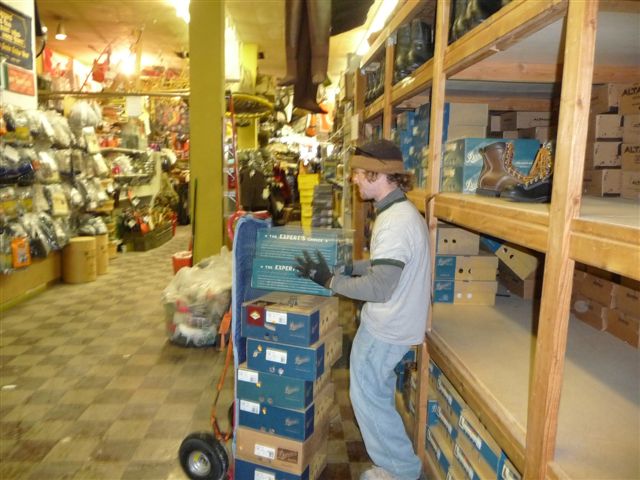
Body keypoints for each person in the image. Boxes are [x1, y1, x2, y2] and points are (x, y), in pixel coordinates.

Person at [295, 139, 430, 480]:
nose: (354, 180)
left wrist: (329, 281)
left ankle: (400, 471)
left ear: (378, 173)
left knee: (369, 399)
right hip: (390, 322)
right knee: (372, 395)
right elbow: (386, 266)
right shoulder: (395, 211)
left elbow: (381, 287)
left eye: (357, 173)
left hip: (389, 327)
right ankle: (394, 465)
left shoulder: (395, 221)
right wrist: (350, 267)